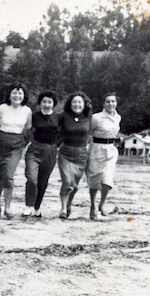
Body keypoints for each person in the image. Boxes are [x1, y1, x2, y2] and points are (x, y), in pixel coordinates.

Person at [0, 82, 33, 219]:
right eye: (14, 92)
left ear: (24, 95)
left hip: (16, 144)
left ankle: (7, 207)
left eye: (20, 93)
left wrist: (23, 142)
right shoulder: (1, 109)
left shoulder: (27, 111)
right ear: (9, 94)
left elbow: (28, 128)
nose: (17, 95)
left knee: (8, 175)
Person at [22, 90, 60, 218]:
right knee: (32, 179)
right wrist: (31, 141)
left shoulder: (58, 117)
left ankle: (37, 208)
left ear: (53, 104)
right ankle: (28, 206)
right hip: (34, 149)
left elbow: (63, 133)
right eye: (44, 101)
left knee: (43, 181)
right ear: (40, 103)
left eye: (49, 102)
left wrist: (56, 145)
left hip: (50, 151)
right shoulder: (34, 115)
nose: (47, 104)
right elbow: (27, 130)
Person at [57, 91, 92, 219]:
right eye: (74, 102)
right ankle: (63, 209)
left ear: (84, 104)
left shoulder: (89, 117)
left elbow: (95, 132)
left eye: (79, 102)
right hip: (65, 153)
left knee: (74, 186)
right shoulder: (63, 116)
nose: (77, 104)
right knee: (67, 182)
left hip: (81, 155)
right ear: (70, 104)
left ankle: (68, 205)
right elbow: (51, 125)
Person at [87, 92, 121, 220]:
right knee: (95, 180)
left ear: (116, 103)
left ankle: (102, 205)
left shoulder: (118, 117)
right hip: (96, 150)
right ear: (103, 103)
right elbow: (88, 132)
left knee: (107, 180)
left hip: (111, 151)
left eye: (113, 101)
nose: (111, 104)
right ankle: (92, 205)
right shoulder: (96, 117)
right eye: (108, 101)